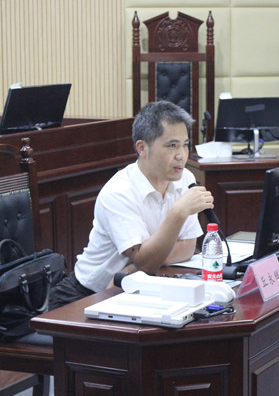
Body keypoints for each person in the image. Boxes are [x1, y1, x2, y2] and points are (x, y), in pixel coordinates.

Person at [47, 101, 214, 310]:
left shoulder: (184, 178)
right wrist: (178, 213)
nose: (181, 155)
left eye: (185, 144)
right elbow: (146, 261)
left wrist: (135, 268)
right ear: (142, 148)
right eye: (172, 146)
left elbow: (187, 247)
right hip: (87, 295)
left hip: (134, 285)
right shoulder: (119, 191)